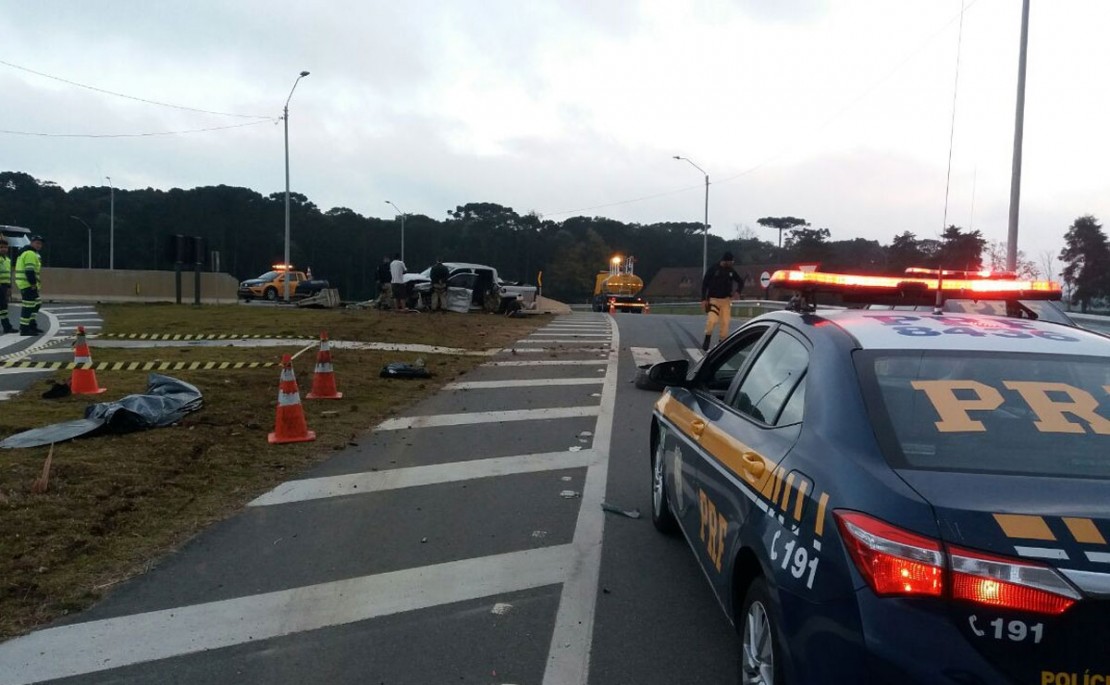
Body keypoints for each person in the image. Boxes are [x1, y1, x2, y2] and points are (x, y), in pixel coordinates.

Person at [700, 251, 745, 351]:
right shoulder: (713, 269)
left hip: (726, 300)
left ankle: (721, 343)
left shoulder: (731, 271)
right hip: (713, 300)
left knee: (725, 322)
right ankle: (707, 337)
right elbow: (705, 283)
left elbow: (740, 281)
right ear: (726, 261)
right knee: (712, 320)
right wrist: (703, 299)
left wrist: (738, 291)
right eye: (731, 261)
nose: (732, 263)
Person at [15, 234, 44, 336]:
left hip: (26, 284)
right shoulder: (30, 254)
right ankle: (24, 329)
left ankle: (31, 325)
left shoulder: (27, 252)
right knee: (28, 306)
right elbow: (29, 270)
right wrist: (33, 284)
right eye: (37, 243)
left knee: (36, 303)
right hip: (27, 284)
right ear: (31, 243)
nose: (39, 245)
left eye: (40, 244)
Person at [0, 238, 14, 334]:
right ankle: (7, 326)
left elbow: (8, 275)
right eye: (1, 247)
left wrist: (9, 287)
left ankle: (7, 326)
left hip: (4, 286)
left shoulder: (8, 260)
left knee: (3, 307)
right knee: (3, 306)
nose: (4, 249)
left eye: (5, 247)